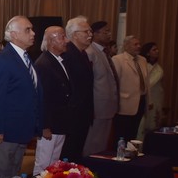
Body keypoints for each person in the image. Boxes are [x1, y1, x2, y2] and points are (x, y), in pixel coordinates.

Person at [0, 16, 44, 178]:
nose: (33, 33)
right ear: (13, 34)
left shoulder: (25, 57)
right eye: (28, 30)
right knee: (3, 173)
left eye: (32, 29)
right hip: (7, 130)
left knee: (14, 174)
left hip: (22, 128)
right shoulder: (4, 60)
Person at [32, 26, 71, 174]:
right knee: (43, 163)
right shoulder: (43, 64)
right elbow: (42, 98)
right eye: (62, 37)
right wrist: (45, 126)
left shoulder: (58, 61)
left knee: (54, 163)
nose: (66, 40)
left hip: (60, 121)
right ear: (51, 42)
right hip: (50, 124)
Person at [61, 16, 94, 162]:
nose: (90, 35)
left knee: (76, 153)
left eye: (90, 31)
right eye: (86, 31)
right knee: (68, 154)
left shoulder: (83, 53)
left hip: (82, 113)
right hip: (72, 115)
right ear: (74, 35)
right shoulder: (67, 54)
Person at [83, 21, 119, 156]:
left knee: (103, 143)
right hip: (96, 107)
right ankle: (90, 165)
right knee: (93, 142)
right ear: (95, 34)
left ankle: (98, 164)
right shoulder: (90, 52)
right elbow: (87, 83)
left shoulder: (104, 52)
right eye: (106, 32)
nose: (109, 34)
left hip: (108, 106)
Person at [112, 35, 149, 142]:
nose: (139, 46)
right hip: (124, 105)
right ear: (126, 46)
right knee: (122, 135)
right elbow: (114, 84)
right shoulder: (118, 59)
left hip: (140, 101)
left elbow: (146, 82)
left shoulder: (142, 60)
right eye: (135, 44)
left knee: (134, 133)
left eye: (139, 44)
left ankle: (130, 151)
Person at [138, 42, 164, 139]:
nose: (157, 51)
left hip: (156, 98)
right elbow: (144, 84)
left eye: (157, 49)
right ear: (147, 53)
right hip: (144, 98)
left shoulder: (158, 68)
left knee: (154, 124)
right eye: (154, 50)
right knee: (142, 125)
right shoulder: (143, 66)